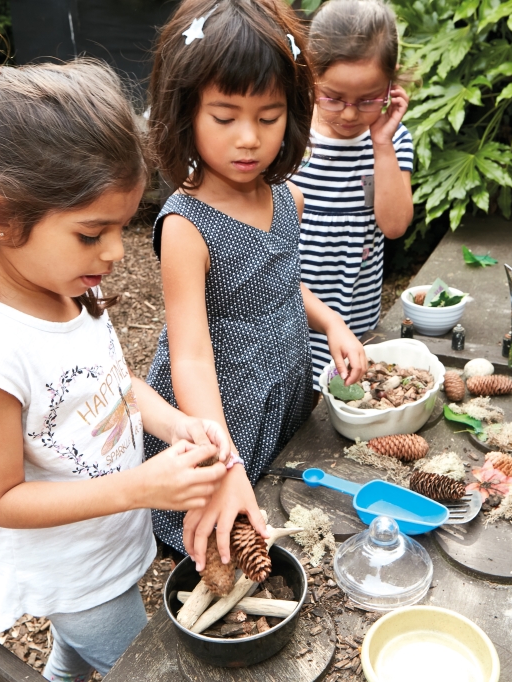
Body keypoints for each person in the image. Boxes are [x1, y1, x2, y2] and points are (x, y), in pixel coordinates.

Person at [0, 31, 234, 681]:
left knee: (70, 664)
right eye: (91, 233)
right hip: (72, 576)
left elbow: (108, 384)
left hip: (108, 542)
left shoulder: (66, 286)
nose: (114, 254)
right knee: (153, 669)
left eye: (122, 227)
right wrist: (141, 485)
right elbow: (1, 500)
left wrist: (171, 422)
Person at [144, 0, 368, 570]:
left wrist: (331, 322)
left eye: (267, 118)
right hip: (220, 405)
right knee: (218, 534)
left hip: (279, 386)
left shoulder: (286, 198)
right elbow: (189, 358)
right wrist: (223, 461)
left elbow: (286, 286)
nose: (248, 138)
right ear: (185, 113)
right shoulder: (185, 226)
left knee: (273, 493)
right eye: (225, 117)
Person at [292, 0, 415, 387]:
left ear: (391, 88)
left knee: (344, 401)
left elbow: (394, 226)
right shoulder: (289, 138)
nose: (348, 114)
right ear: (310, 74)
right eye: (333, 97)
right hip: (294, 312)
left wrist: (381, 144)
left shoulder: (393, 144)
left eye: (367, 100)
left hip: (357, 318)